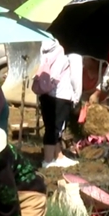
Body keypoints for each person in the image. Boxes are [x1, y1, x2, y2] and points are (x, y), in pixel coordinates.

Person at [34, 39, 81, 169]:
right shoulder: (73, 52)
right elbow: (76, 77)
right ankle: (48, 160)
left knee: (51, 125)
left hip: (45, 91)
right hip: (62, 94)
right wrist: (76, 96)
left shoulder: (46, 45)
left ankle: (58, 156)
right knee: (55, 128)